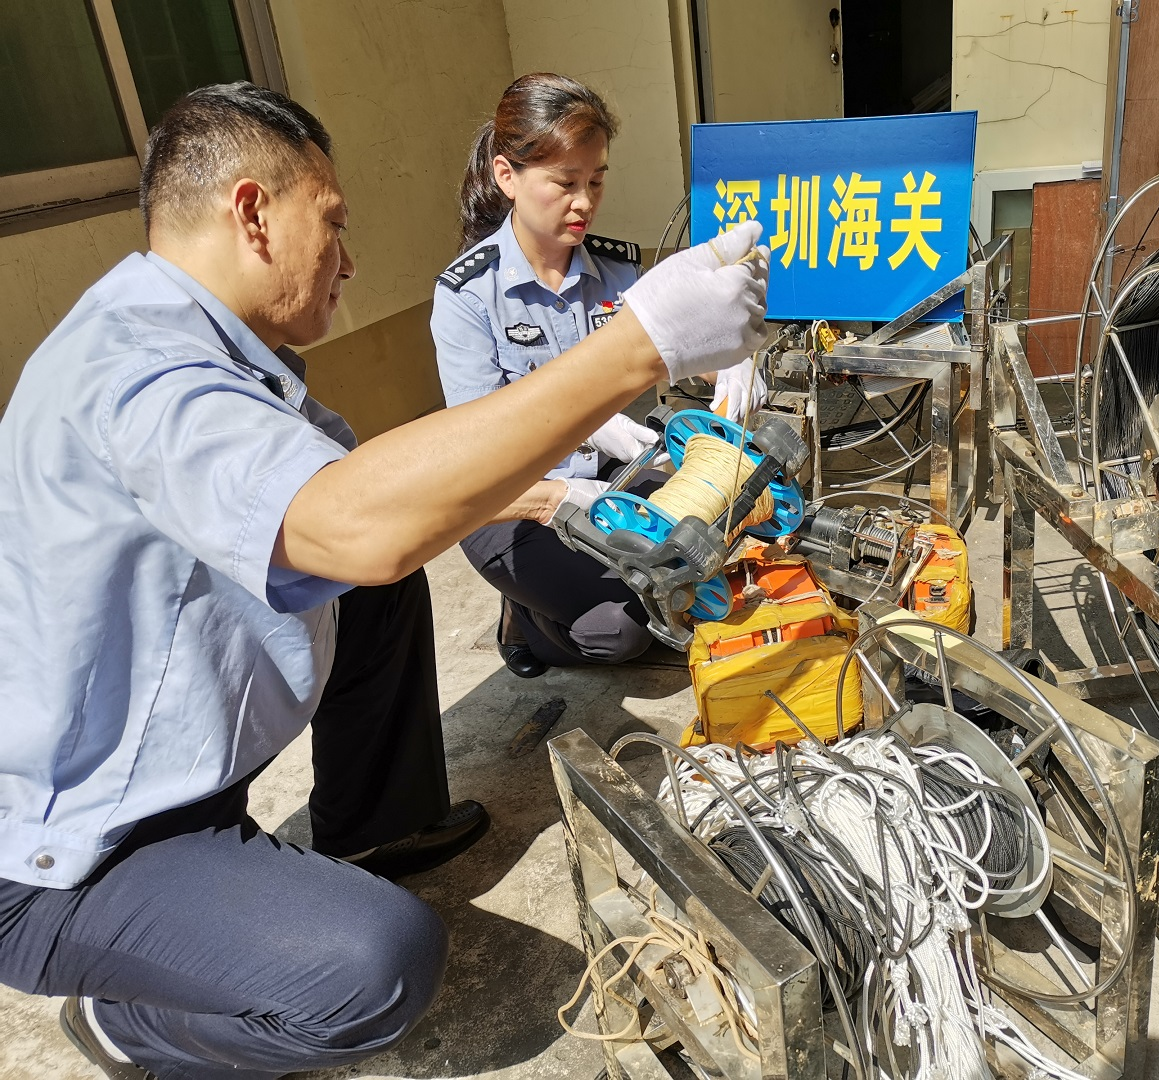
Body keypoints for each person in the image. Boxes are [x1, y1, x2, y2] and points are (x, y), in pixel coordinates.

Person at [0, 82, 768, 1080]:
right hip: (73, 850)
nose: (350, 259)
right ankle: (127, 1024)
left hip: (162, 774)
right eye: (333, 224)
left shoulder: (215, 349)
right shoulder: (142, 371)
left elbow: (377, 485)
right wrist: (639, 347)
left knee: (375, 582)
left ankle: (375, 825)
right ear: (251, 213)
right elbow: (360, 524)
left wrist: (580, 488)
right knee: (378, 967)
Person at [431, 73, 768, 679]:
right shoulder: (468, 294)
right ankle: (524, 620)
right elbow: (477, 455)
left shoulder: (617, 271)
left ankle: (568, 589)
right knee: (621, 628)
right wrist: (580, 435)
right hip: (512, 501)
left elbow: (686, 331)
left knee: (707, 554)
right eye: (565, 183)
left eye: (596, 180)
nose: (584, 202)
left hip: (614, 478)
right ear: (507, 176)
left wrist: (732, 354)